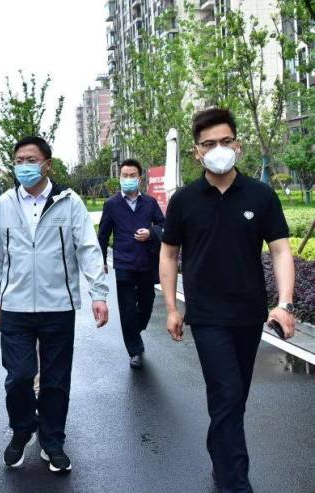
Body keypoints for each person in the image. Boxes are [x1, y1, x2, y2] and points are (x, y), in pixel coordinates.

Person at [160, 108, 295, 493]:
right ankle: (235, 483)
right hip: (206, 316)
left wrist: (285, 303)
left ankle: (221, 459)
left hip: (249, 315)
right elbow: (168, 254)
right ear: (196, 152)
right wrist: (171, 308)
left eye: (224, 141)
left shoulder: (261, 195)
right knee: (227, 394)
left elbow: (281, 250)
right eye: (208, 144)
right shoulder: (184, 200)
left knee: (233, 400)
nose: (217, 149)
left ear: (238, 145)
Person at [0, 136, 109, 474]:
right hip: (15, 307)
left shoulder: (69, 202)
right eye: (19, 160)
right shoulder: (5, 204)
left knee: (55, 380)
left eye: (31, 160)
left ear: (47, 164)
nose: (24, 166)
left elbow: (88, 248)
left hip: (58, 306)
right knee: (19, 376)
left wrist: (98, 293)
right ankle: (23, 428)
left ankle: (52, 441)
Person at [97, 158, 165, 369]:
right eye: (124, 175)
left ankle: (136, 329)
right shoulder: (111, 204)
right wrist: (101, 260)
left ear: (139, 178)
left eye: (132, 175)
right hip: (124, 263)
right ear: (119, 177)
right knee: (127, 309)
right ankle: (135, 350)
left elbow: (164, 226)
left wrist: (151, 233)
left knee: (146, 304)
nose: (128, 179)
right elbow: (103, 234)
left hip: (146, 262)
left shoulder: (150, 203)